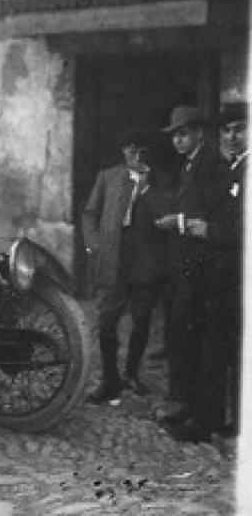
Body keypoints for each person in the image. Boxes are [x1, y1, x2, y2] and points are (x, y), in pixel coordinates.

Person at [168, 101, 246, 442]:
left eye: (240, 129)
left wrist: (206, 229)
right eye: (227, 130)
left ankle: (211, 420)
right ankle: (213, 416)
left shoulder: (234, 168)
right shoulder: (233, 168)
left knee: (222, 346)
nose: (231, 136)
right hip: (221, 269)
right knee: (215, 344)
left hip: (234, 271)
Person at [83, 129, 170, 404]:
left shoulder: (162, 180)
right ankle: (110, 379)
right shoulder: (107, 177)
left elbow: (165, 217)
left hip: (146, 261)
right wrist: (94, 245)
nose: (136, 155)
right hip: (113, 260)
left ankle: (131, 373)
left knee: (141, 320)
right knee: (106, 321)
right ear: (123, 151)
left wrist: (147, 187)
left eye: (142, 150)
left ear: (149, 152)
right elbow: (89, 214)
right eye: (131, 149)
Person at [153, 105, 226, 428]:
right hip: (184, 260)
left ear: (199, 132)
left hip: (200, 261)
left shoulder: (210, 162)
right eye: (174, 136)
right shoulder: (190, 164)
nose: (177, 141)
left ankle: (189, 403)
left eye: (183, 134)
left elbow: (211, 211)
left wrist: (178, 221)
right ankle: (182, 399)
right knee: (181, 330)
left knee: (191, 332)